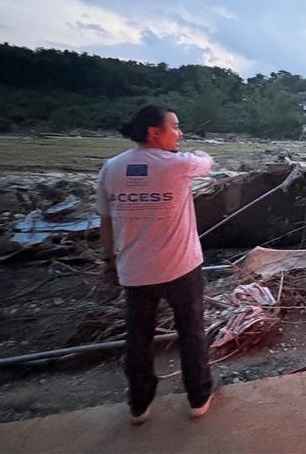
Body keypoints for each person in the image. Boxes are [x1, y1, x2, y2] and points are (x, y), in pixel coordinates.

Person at [96, 104, 220, 425]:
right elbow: (207, 162)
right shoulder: (177, 165)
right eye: (175, 127)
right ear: (154, 132)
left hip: (134, 272)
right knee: (191, 332)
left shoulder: (110, 168)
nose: (179, 133)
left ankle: (139, 404)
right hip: (181, 268)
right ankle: (198, 397)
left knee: (138, 338)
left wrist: (110, 261)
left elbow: (106, 222)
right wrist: (199, 151)